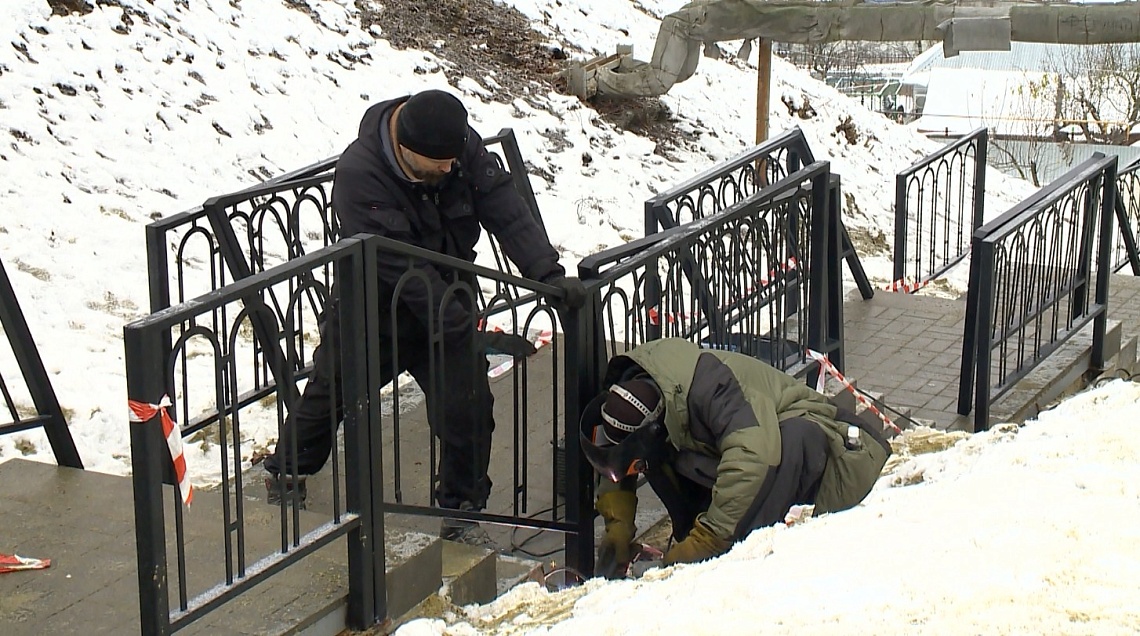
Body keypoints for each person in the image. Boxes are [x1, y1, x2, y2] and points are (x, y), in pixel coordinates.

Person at [264, 89, 586, 545]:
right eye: (438, 165)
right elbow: (404, 270)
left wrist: (548, 274)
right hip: (374, 309)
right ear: (405, 149)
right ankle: (288, 471)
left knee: (469, 408)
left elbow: (505, 209)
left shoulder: (458, 147)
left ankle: (461, 512)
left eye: (454, 161)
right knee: (331, 391)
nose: (450, 171)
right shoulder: (360, 176)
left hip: (448, 301)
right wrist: (457, 324)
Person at [579, 338, 891, 577]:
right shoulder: (634, 393)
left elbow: (753, 457)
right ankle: (692, 548)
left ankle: (734, 561)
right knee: (661, 456)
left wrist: (710, 537)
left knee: (781, 448)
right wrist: (618, 525)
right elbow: (623, 458)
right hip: (727, 446)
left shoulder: (711, 387)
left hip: (810, 438)